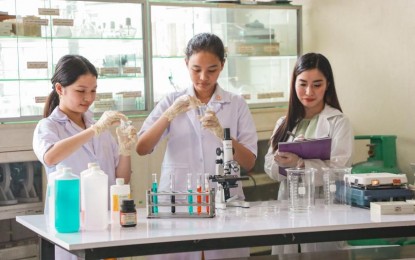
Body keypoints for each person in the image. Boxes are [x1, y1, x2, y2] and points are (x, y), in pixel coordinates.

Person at [136, 33, 258, 259]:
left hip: (224, 203)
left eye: (212, 69)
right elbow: (142, 147)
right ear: (186, 64)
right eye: (196, 69)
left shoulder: (237, 104)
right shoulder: (171, 100)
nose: (203, 77)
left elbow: (249, 162)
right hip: (178, 203)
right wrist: (170, 114)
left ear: (222, 65)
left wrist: (224, 136)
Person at [33, 54, 137, 260]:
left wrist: (126, 150)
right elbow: (51, 157)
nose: (88, 98)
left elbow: (121, 180)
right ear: (60, 89)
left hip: (105, 224)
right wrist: (95, 129)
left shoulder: (99, 128)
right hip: (69, 228)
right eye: (81, 91)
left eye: (93, 91)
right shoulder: (48, 127)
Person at [264, 52, 354, 254]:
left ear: (328, 84)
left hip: (325, 206)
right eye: (302, 83)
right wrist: (281, 161)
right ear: (294, 83)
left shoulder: (338, 122)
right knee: (287, 253)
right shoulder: (283, 123)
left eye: (317, 84)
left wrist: (301, 164)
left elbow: (340, 169)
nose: (308, 91)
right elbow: (269, 167)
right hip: (288, 203)